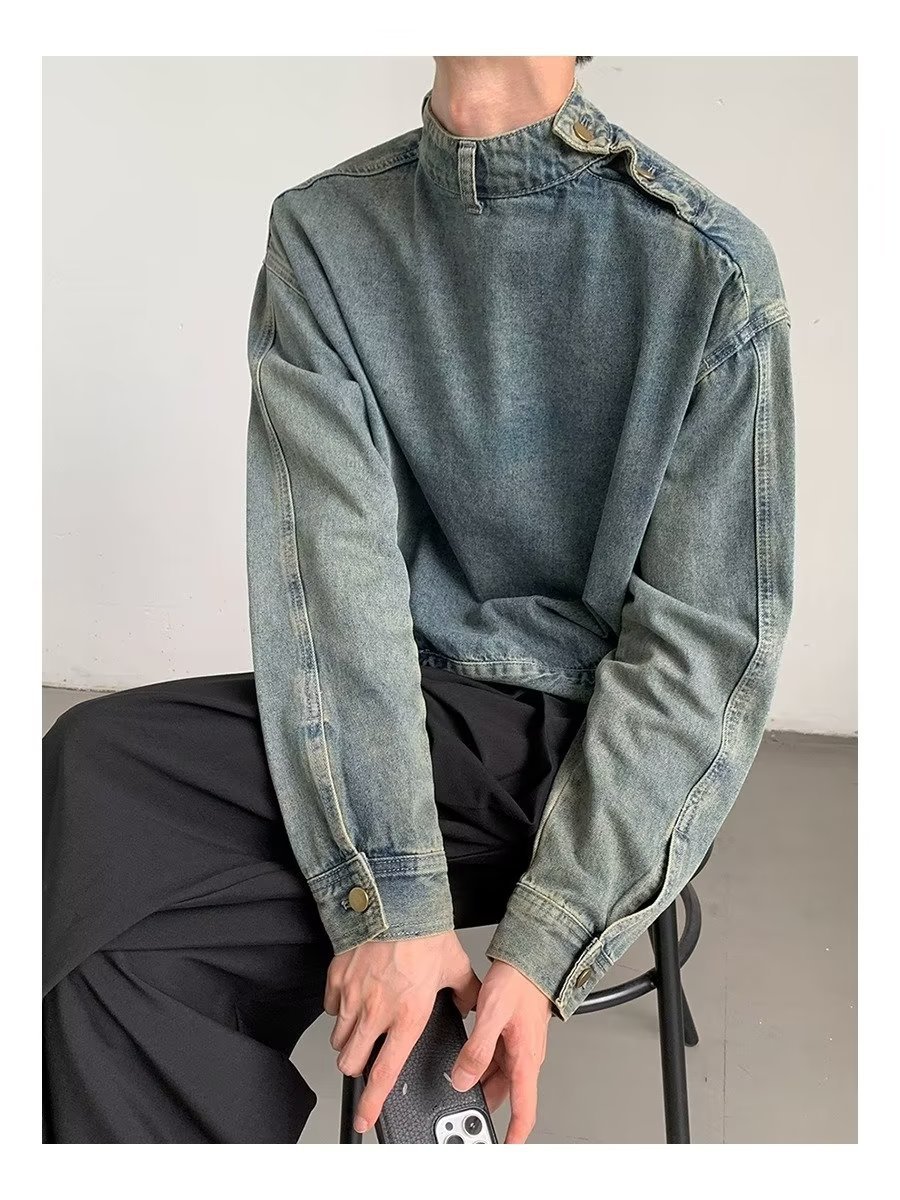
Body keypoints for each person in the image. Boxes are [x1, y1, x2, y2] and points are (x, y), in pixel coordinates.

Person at [43, 55, 795, 1144]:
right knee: (114, 942)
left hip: (587, 743)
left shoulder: (709, 269)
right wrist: (392, 902)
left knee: (99, 788)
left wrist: (542, 938)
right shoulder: (325, 234)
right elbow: (330, 584)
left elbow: (704, 655)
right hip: (386, 713)